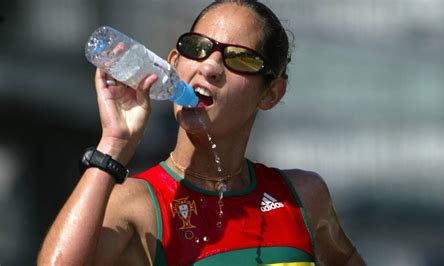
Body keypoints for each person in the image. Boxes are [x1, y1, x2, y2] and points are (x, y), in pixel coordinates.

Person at [38, 0, 366, 265]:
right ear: (173, 63)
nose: (208, 66)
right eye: (197, 47)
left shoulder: (303, 197)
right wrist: (115, 142)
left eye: (240, 58)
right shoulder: (138, 204)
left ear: (271, 93)